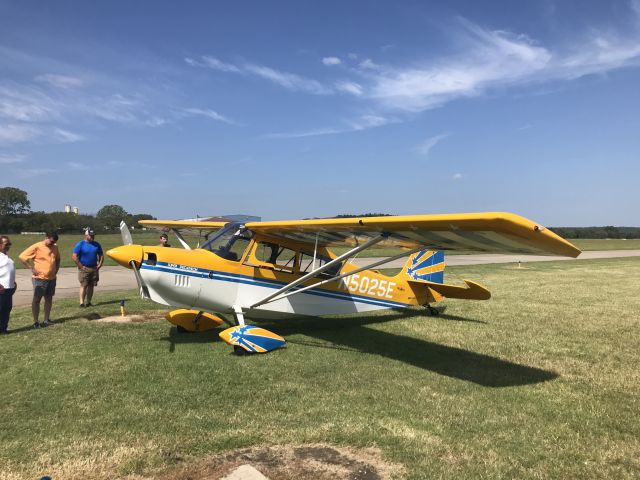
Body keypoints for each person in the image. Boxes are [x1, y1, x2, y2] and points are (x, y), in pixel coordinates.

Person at [19, 232, 61, 328]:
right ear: (46, 237)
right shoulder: (37, 246)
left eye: (54, 242)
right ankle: (36, 322)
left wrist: (56, 269)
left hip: (51, 278)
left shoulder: (55, 247)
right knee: (37, 299)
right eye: (50, 241)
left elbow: (58, 259)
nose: (52, 244)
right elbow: (22, 256)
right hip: (40, 278)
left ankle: (46, 319)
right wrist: (31, 268)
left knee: (49, 298)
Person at [72, 228, 104, 307]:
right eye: (91, 236)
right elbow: (74, 256)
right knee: (84, 285)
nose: (92, 237)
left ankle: (88, 302)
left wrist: (99, 264)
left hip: (94, 268)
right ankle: (82, 303)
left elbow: (101, 255)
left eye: (93, 236)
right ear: (86, 235)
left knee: (91, 285)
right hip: (84, 268)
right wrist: (80, 266)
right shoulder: (80, 244)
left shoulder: (97, 244)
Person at [0, 235, 17, 334]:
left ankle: (3, 329)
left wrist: (13, 283)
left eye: (9, 244)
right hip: (2, 288)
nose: (8, 246)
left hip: (9, 288)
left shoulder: (6, 256)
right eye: (6, 244)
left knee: (6, 309)